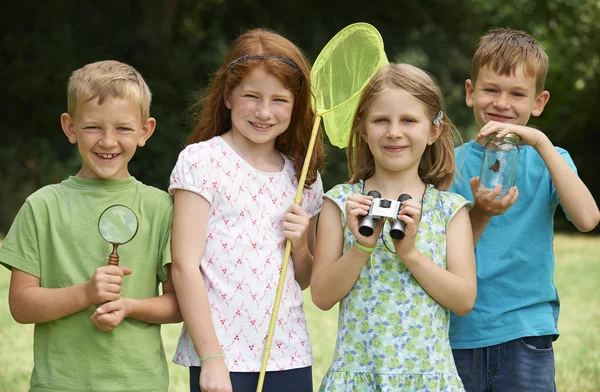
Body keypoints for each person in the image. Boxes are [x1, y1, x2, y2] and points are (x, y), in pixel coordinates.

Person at [0, 60, 181, 392]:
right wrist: (86, 293)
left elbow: (177, 303)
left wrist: (130, 307)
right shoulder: (42, 207)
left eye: (123, 129)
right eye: (93, 127)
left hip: (139, 384)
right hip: (59, 385)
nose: (108, 141)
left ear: (145, 130)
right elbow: (21, 306)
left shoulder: (162, 208)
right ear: (70, 128)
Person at [169, 28, 325, 392]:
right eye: (251, 96)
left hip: (289, 354)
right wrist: (211, 359)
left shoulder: (304, 179)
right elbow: (183, 266)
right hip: (221, 357)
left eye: (279, 100)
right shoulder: (203, 161)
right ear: (227, 95)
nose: (264, 112)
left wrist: (301, 245)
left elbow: (302, 278)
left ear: (296, 104)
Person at [449, 28, 600, 391]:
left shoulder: (552, 161)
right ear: (470, 93)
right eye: (491, 90)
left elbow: (587, 219)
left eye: (518, 94)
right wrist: (480, 212)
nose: (503, 103)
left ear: (538, 102)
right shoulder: (448, 165)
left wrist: (543, 144)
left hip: (526, 332)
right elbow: (441, 250)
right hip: (459, 332)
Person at [311, 63, 477, 391]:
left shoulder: (449, 210)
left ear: (434, 130)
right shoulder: (340, 203)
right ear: (361, 128)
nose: (394, 132)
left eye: (409, 121)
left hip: (428, 378)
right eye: (381, 120)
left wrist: (410, 253)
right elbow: (321, 296)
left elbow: (463, 300)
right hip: (359, 377)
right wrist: (361, 247)